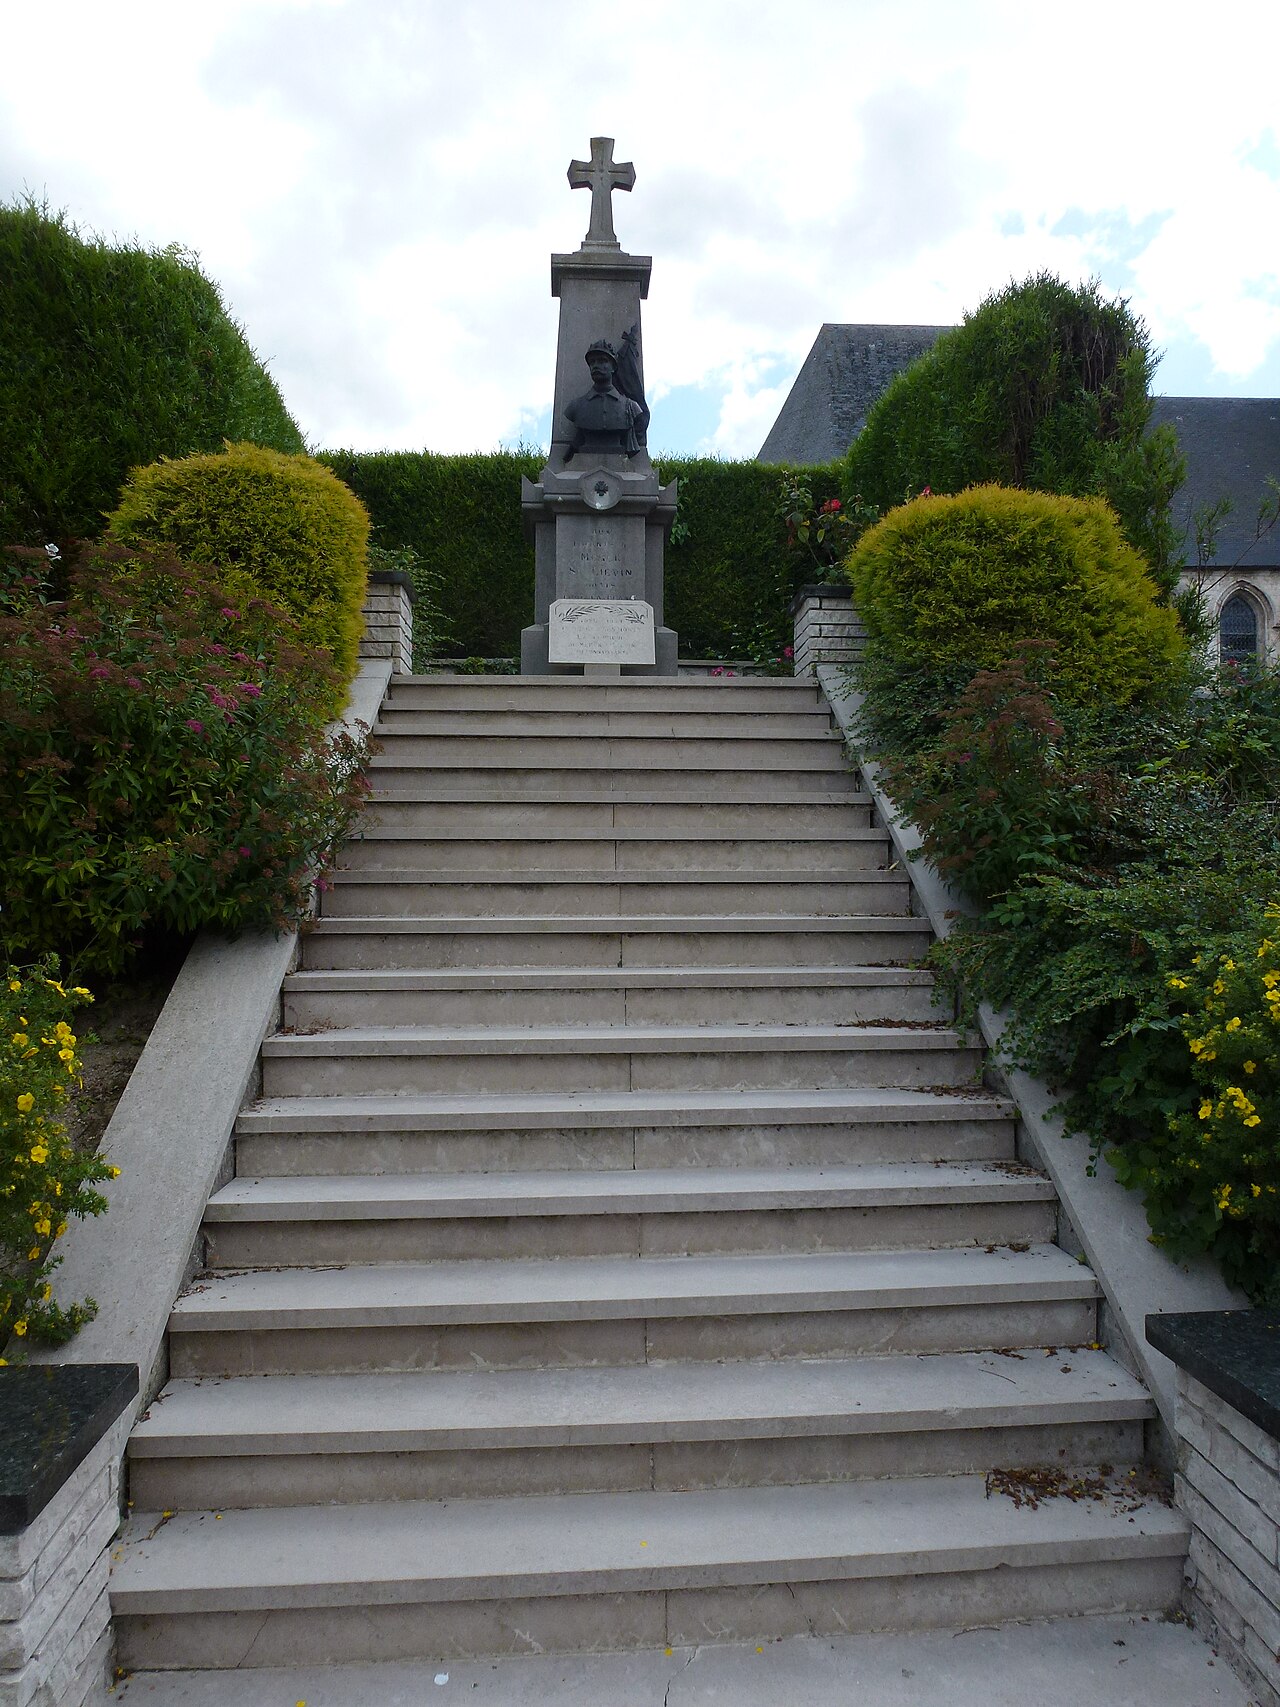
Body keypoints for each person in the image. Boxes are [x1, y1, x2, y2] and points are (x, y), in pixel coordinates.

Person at [562, 332, 649, 460]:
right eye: (592, 362)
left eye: (603, 361)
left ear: (613, 367)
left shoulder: (630, 407)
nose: (596, 365)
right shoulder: (576, 407)